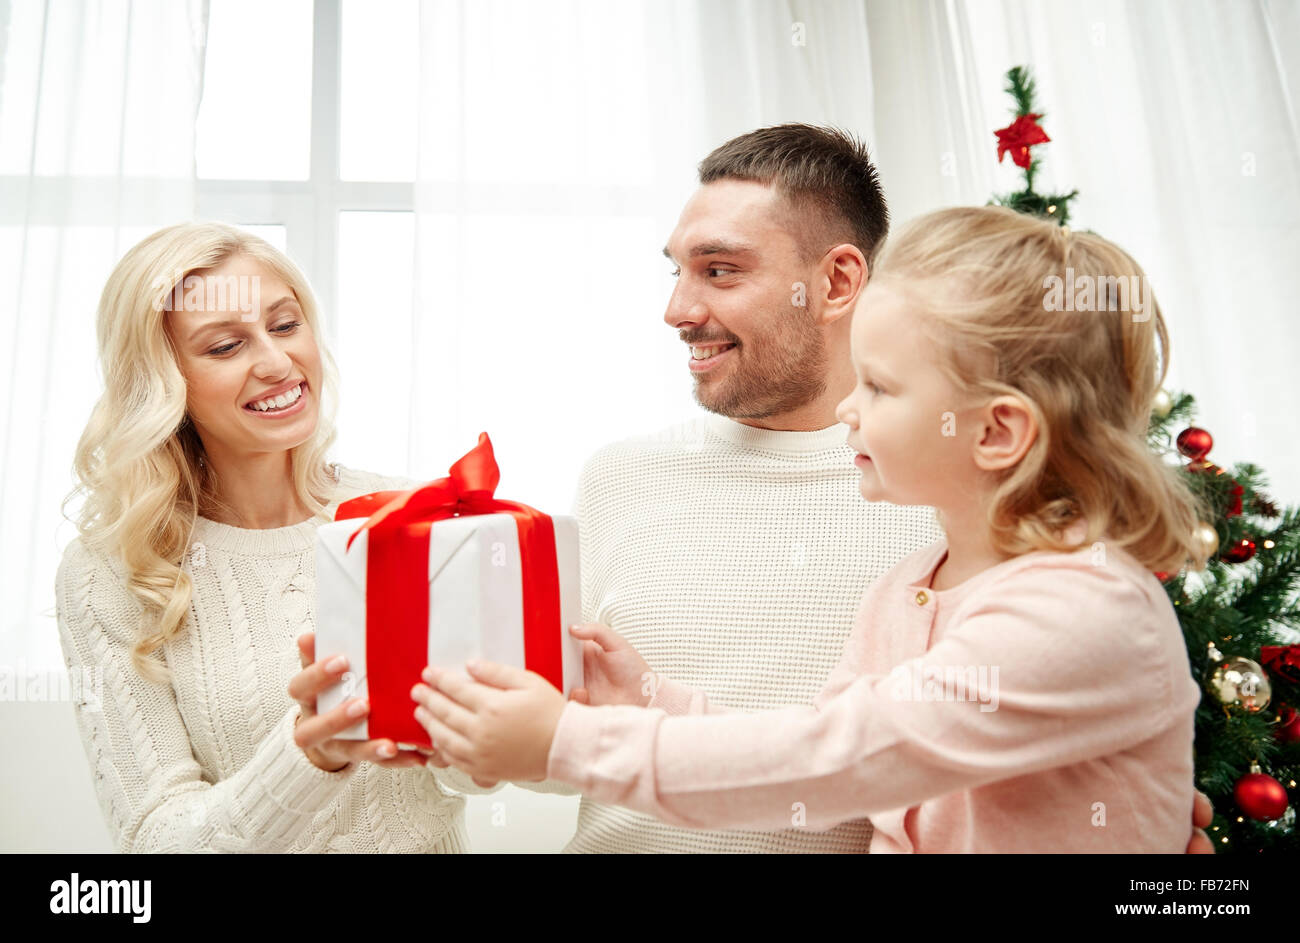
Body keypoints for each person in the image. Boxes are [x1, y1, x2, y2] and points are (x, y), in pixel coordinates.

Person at [417, 124, 1214, 852]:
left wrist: (566, 739)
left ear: (997, 432)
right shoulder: (911, 587)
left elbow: (838, 759)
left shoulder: (1080, 606)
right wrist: (649, 702)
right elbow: (818, 737)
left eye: (879, 388)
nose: (847, 409)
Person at [55, 222, 488, 852]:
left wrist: (480, 727)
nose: (278, 362)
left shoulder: (409, 513)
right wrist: (310, 753)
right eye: (227, 347)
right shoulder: (112, 571)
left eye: (285, 326)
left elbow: (480, 776)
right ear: (163, 383)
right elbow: (155, 843)